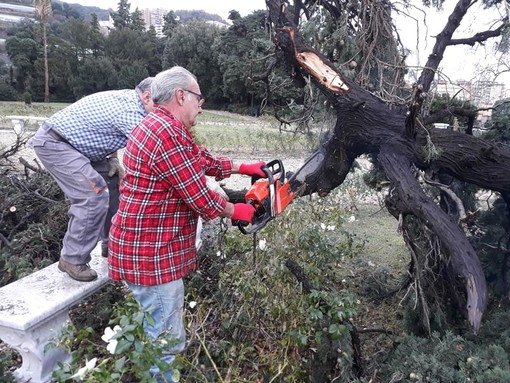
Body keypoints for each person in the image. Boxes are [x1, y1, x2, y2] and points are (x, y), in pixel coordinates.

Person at [108, 66, 265, 382]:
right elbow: (199, 196)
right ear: (181, 96)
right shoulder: (164, 134)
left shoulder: (165, 128)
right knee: (166, 341)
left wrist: (241, 166)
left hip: (145, 251)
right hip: (150, 257)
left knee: (157, 332)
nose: (201, 104)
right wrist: (240, 211)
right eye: (198, 97)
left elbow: (200, 160)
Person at [30, 78, 154, 282]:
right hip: (56, 143)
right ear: (147, 96)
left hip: (81, 147)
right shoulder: (132, 111)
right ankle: (72, 258)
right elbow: (152, 151)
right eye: (161, 103)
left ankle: (112, 245)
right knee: (93, 194)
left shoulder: (133, 101)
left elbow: (107, 129)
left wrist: (113, 159)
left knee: (113, 183)